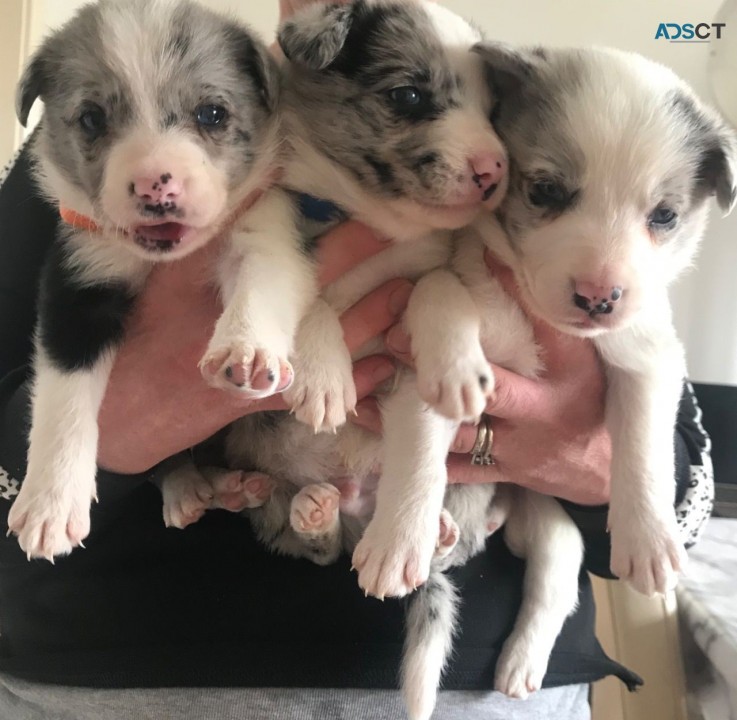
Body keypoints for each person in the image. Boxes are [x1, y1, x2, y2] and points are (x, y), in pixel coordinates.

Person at [0, 6, 714, 719]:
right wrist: (127, 426)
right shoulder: (87, 132)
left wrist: (580, 461)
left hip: (485, 675)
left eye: (212, 115)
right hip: (112, 670)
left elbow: (685, 491)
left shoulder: (530, 109)